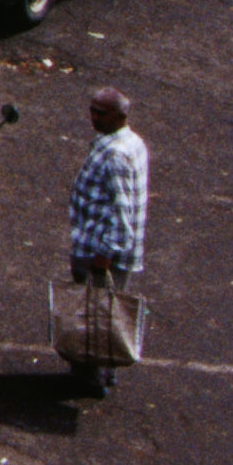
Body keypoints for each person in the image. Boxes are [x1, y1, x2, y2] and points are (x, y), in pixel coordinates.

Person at [64, 86, 151, 398]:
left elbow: (121, 213)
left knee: (95, 317)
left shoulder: (115, 154)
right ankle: (103, 373)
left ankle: (91, 379)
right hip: (103, 248)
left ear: (121, 116)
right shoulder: (129, 142)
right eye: (93, 109)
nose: (94, 116)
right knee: (103, 314)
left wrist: (103, 256)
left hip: (99, 252)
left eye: (102, 112)